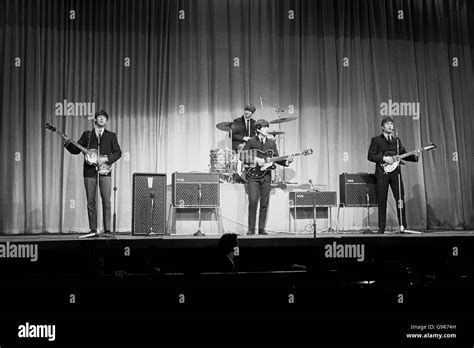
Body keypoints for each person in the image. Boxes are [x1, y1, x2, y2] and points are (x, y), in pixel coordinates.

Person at [63, 110, 122, 234]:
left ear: (106, 121)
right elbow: (76, 150)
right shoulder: (87, 135)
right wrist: (67, 142)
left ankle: (107, 230)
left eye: (104, 117)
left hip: (105, 171)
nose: (101, 119)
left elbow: (118, 153)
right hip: (89, 172)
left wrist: (106, 159)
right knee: (91, 201)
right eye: (99, 117)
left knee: (106, 201)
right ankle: (93, 229)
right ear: (95, 120)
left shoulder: (111, 135)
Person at [241, 119, 294, 235]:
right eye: (264, 127)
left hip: (266, 176)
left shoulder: (271, 143)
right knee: (253, 200)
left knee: (265, 203)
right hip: (253, 176)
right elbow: (242, 156)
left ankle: (261, 229)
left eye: (267, 127)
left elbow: (277, 159)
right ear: (258, 129)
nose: (267, 129)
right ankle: (251, 229)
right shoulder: (251, 141)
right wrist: (256, 159)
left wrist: (287, 161)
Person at [367, 117, 419, 234]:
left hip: (396, 173)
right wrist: (384, 158)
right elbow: (370, 156)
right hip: (382, 174)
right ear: (382, 127)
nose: (390, 126)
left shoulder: (396, 141)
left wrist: (415, 155)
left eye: (391, 124)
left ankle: (402, 226)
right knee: (382, 200)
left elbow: (403, 154)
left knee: (400, 198)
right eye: (388, 124)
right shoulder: (376, 140)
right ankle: (381, 228)